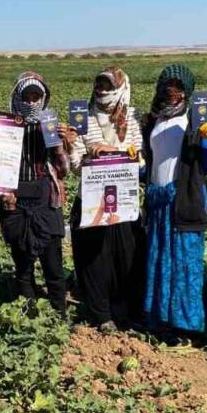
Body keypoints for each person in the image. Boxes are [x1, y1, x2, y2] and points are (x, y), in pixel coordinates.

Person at [141, 64, 207, 335]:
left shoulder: (194, 122)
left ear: (187, 91)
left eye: (178, 87)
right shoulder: (154, 120)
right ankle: (161, 320)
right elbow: (152, 163)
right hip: (158, 201)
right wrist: (135, 163)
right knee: (160, 259)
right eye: (167, 85)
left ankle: (186, 326)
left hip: (184, 200)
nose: (171, 91)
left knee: (185, 263)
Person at [68, 66, 146, 332]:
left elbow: (141, 159)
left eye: (108, 86)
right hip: (91, 200)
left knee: (126, 257)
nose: (102, 91)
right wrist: (87, 154)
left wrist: (113, 151)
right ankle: (101, 315)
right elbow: (76, 164)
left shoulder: (133, 119)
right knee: (94, 258)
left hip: (124, 200)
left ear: (120, 89)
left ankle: (125, 311)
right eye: (99, 85)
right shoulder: (82, 119)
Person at [0, 72, 74, 314]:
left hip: (46, 199)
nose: (31, 102)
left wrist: (60, 145)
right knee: (23, 265)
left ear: (44, 99)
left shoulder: (51, 126)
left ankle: (59, 311)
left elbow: (64, 171)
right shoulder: (5, 127)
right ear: (17, 97)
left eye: (36, 96)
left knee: (52, 262)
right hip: (15, 201)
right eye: (26, 96)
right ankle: (29, 312)